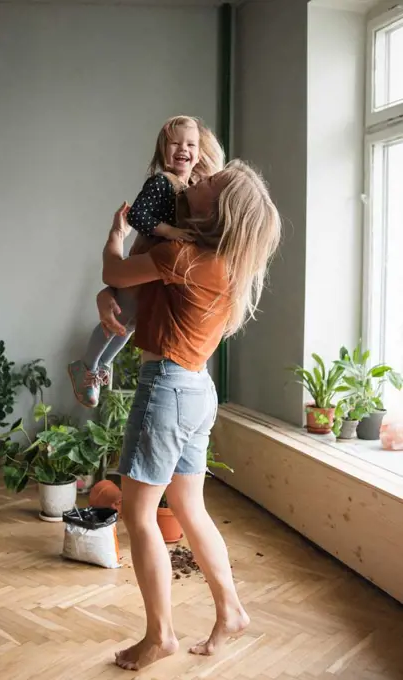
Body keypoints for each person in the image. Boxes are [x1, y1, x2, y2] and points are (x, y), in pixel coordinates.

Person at [98, 159, 281, 672]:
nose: (197, 179)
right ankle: (232, 610)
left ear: (218, 210)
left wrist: (115, 235)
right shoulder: (227, 262)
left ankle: (160, 636)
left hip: (167, 388)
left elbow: (115, 271)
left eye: (210, 184)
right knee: (190, 508)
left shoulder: (184, 254)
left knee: (138, 514)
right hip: (198, 388)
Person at [68, 116, 224, 408]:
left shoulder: (190, 186)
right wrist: (171, 232)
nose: (183, 149)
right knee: (120, 316)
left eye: (191, 144)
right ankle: (87, 366)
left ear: (200, 153)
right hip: (149, 257)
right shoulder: (161, 182)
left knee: (128, 324)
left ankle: (99, 365)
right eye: (175, 143)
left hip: (157, 271)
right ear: (163, 149)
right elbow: (137, 216)